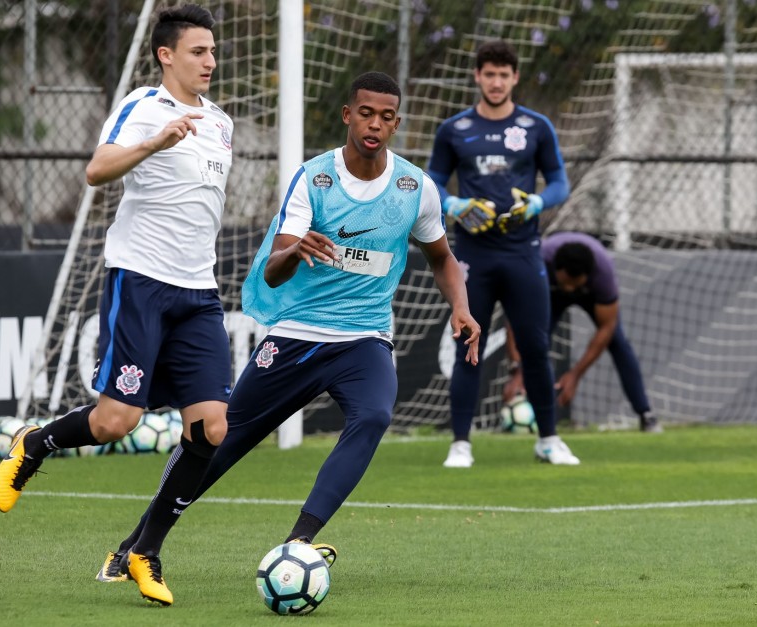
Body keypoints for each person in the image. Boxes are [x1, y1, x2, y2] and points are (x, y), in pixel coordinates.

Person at [95, 71, 481, 606]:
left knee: (372, 416)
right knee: (219, 442)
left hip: (364, 338)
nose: (375, 124)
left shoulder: (415, 188)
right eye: (366, 113)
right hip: (296, 336)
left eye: (387, 116)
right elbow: (274, 271)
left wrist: (461, 308)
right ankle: (137, 543)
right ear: (348, 114)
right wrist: (296, 250)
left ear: (397, 122)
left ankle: (299, 543)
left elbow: (443, 259)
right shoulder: (313, 180)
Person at [0, 3, 234, 606]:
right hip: (142, 281)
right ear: (167, 55)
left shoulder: (222, 122)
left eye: (212, 50)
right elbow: (97, 171)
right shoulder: (142, 108)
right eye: (198, 51)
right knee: (114, 422)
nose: (210, 60)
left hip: (199, 292)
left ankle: (142, 552)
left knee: (211, 427)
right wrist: (156, 142)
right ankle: (36, 444)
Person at [427, 39, 579, 468]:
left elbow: (559, 184)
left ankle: (548, 439)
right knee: (467, 346)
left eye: (503, 75)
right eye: (488, 74)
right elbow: (432, 180)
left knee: (534, 345)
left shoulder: (536, 127)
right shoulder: (454, 129)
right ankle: (461, 443)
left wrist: (535, 202)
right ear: (477, 76)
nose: (495, 82)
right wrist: (452, 205)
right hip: (473, 254)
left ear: (515, 78)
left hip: (523, 252)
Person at [503, 232, 662, 433]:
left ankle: (646, 414)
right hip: (551, 293)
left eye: (574, 284)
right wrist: (517, 368)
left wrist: (575, 374)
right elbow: (517, 318)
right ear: (556, 270)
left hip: (589, 294)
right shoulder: (539, 261)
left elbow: (607, 327)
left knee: (618, 342)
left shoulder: (603, 274)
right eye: (565, 283)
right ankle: (525, 408)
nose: (569, 289)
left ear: (587, 276)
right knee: (535, 340)